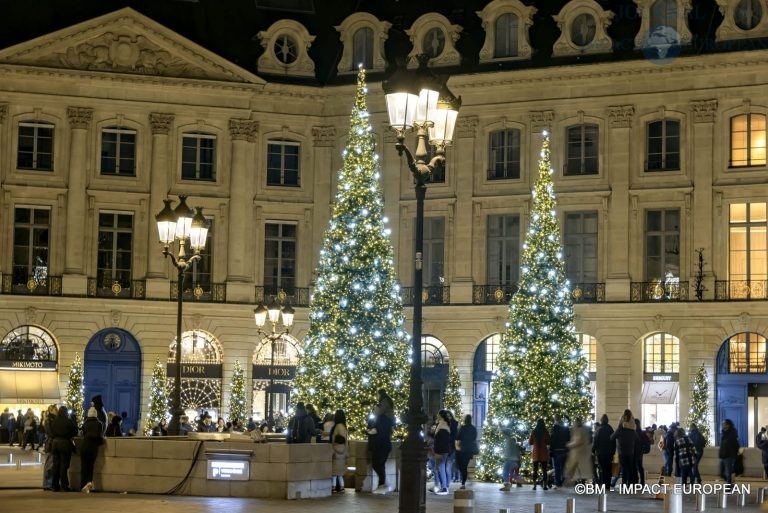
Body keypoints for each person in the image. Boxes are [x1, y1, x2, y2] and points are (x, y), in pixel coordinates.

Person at [368, 399, 394, 494]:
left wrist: (370, 431)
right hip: (384, 445)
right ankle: (382, 484)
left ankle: (384, 484)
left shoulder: (381, 419)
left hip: (381, 445)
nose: (373, 411)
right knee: (380, 465)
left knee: (377, 464)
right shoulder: (383, 419)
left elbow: (376, 430)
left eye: (375, 409)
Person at [50, 405, 78, 492]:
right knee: (64, 465)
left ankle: (54, 485)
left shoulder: (54, 421)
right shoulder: (68, 421)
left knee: (56, 465)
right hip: (65, 443)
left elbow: (51, 432)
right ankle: (64, 486)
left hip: (55, 443)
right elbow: (75, 431)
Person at [610, 409, 639, 486]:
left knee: (624, 468)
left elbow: (612, 437)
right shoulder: (633, 430)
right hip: (630, 451)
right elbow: (637, 438)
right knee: (629, 468)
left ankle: (624, 484)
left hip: (621, 451)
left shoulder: (620, 429)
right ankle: (629, 484)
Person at [80, 407, 104, 493]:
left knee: (83, 466)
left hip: (84, 446)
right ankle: (88, 484)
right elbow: (100, 436)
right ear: (96, 414)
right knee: (90, 466)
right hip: (93, 447)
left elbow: (82, 434)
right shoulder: (99, 424)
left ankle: (82, 484)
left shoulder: (85, 423)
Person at [565, 418, 592, 485]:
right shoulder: (584, 430)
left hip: (578, 453)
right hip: (582, 453)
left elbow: (578, 441)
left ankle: (571, 481)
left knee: (575, 468)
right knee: (581, 470)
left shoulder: (579, 430)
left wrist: (569, 445)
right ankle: (580, 482)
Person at [455, 414, 478, 490]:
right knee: (465, 465)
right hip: (470, 450)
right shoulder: (473, 428)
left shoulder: (462, 427)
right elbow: (475, 437)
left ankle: (463, 481)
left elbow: (458, 437)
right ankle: (463, 482)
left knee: (462, 466)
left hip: (463, 449)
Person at [592, 414, 615, 489]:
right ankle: (607, 484)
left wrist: (593, 450)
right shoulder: (610, 429)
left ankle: (603, 483)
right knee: (608, 468)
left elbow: (595, 441)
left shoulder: (599, 429)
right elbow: (613, 441)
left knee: (602, 468)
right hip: (609, 453)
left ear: (601, 420)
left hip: (601, 452)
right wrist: (613, 452)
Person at [432, 410, 451, 495]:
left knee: (441, 468)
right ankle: (440, 486)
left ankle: (444, 488)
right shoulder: (440, 425)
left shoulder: (442, 426)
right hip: (441, 450)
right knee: (436, 469)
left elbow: (442, 441)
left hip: (441, 451)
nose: (437, 416)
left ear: (441, 416)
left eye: (438, 414)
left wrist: (438, 452)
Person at [529, 418, 551, 490]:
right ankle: (545, 485)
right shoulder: (545, 431)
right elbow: (548, 441)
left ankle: (534, 485)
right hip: (543, 452)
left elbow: (530, 442)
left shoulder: (534, 431)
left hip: (536, 452)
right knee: (544, 470)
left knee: (535, 470)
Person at [330, 409, 348, 493]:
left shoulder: (337, 427)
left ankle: (333, 487)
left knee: (334, 473)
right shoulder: (344, 427)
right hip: (342, 453)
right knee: (340, 474)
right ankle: (342, 487)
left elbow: (336, 439)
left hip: (336, 452)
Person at [550, 415, 570, 489]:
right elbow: (568, 438)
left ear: (555, 420)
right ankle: (563, 481)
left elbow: (552, 439)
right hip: (564, 450)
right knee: (563, 467)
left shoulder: (555, 428)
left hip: (556, 450)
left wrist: (551, 449)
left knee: (557, 467)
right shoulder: (565, 428)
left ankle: (558, 482)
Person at [719, 419, 739, 485]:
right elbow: (722, 445)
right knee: (722, 472)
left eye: (724, 424)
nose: (722, 425)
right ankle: (730, 482)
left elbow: (735, 444)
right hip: (723, 455)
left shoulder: (731, 433)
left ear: (728, 425)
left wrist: (734, 454)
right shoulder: (724, 433)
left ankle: (729, 484)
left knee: (728, 471)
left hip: (729, 455)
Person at [634, 418, 650, 486]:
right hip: (640, 452)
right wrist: (644, 450)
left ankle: (636, 481)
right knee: (640, 467)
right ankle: (642, 482)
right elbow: (647, 442)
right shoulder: (642, 432)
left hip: (633, 451)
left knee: (634, 467)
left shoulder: (633, 432)